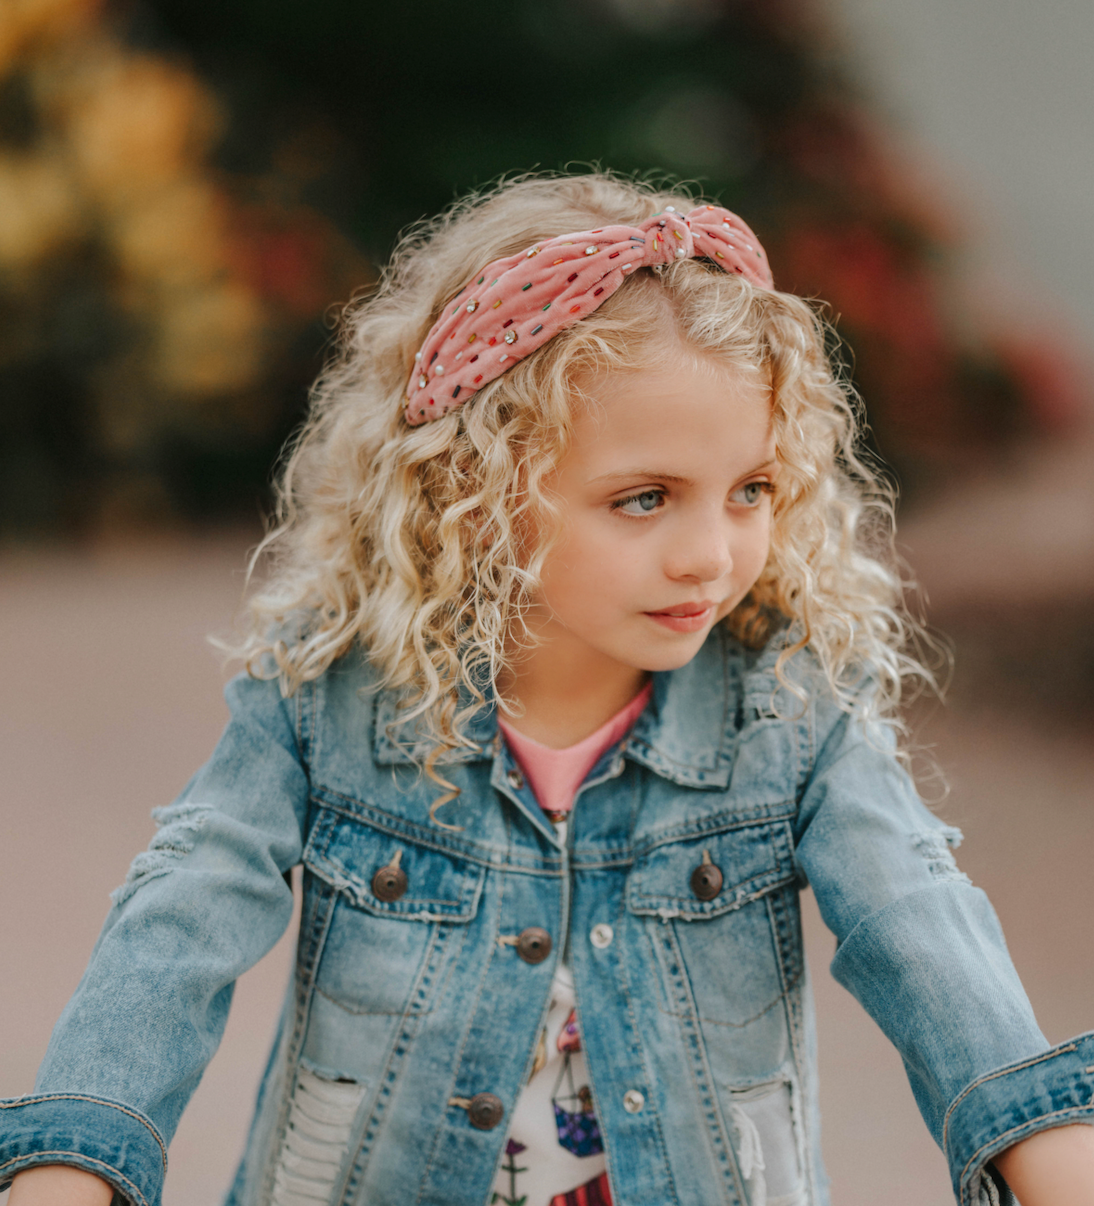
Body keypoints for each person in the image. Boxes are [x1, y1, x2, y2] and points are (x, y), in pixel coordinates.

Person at [3, 173, 1092, 1206]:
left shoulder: (788, 716)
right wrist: (74, 1161)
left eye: (750, 489)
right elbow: (176, 923)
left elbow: (916, 916)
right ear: (471, 495)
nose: (709, 554)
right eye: (644, 499)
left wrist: (1039, 1141)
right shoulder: (328, 706)